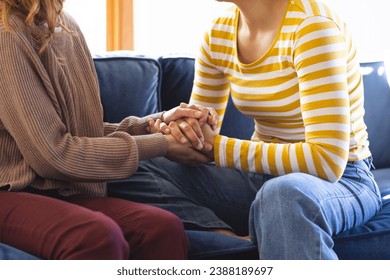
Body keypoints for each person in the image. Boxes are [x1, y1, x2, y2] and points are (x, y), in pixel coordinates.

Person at [112, 0, 383, 259]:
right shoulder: (219, 32)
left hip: (344, 179)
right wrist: (180, 134)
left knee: (284, 194)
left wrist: (216, 149)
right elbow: (199, 132)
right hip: (260, 178)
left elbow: (327, 161)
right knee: (128, 159)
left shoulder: (313, 28)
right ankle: (222, 233)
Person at [0, 0, 218, 260]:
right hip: (11, 190)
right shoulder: (7, 35)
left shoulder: (65, 25)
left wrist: (154, 124)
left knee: (161, 229)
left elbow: (81, 132)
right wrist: (163, 144)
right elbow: (54, 155)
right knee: (94, 237)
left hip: (57, 189)